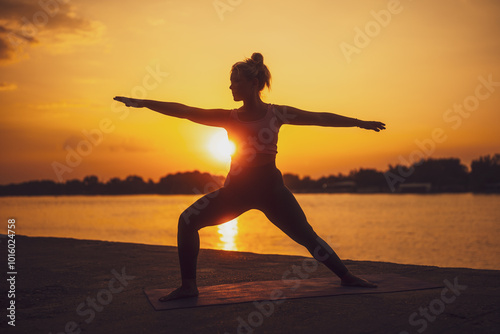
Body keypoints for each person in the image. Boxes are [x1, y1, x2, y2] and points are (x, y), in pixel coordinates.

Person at [114, 52, 386, 301]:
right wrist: (144, 103)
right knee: (187, 221)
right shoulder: (229, 117)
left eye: (235, 81)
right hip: (236, 191)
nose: (230, 87)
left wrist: (359, 122)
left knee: (307, 237)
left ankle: (347, 277)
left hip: (272, 190)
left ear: (253, 83)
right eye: (230, 82)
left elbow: (319, 117)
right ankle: (189, 286)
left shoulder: (277, 113)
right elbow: (185, 111)